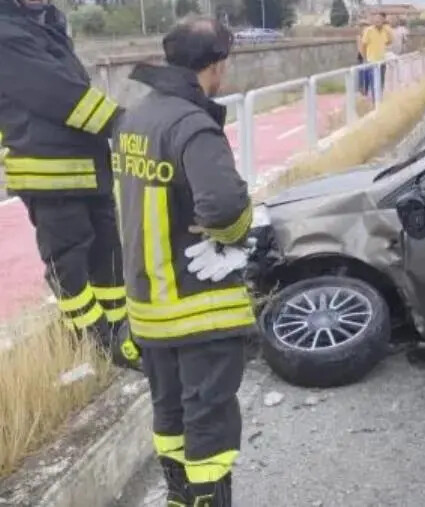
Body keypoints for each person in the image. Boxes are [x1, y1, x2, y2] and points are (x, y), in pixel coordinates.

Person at [112, 17, 258, 506]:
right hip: (196, 309)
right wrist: (232, 239)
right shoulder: (192, 123)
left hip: (149, 308)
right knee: (209, 428)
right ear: (215, 66)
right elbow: (225, 206)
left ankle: (178, 497)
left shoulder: (135, 119)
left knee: (170, 418)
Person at [0, 0, 133, 361]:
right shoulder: (6, 32)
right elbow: (61, 95)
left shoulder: (45, 23)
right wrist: (126, 123)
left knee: (108, 254)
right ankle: (95, 341)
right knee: (71, 266)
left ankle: (121, 330)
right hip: (50, 175)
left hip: (87, 167)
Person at [360, 12, 393, 97]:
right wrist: (365, 58)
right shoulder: (369, 31)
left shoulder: (385, 31)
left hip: (382, 61)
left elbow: (389, 42)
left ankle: (379, 99)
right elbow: (363, 45)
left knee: (381, 82)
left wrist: (388, 30)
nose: (378, 21)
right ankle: (375, 101)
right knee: (374, 82)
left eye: (380, 19)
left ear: (383, 20)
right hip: (372, 61)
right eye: (376, 19)